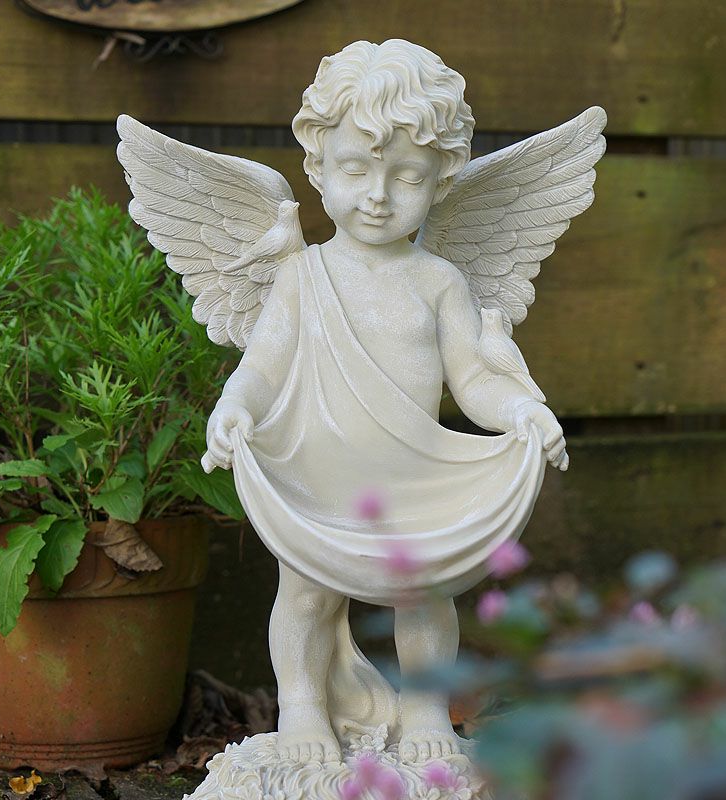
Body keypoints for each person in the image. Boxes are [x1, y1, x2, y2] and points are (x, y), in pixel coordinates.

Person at [204, 39, 566, 764]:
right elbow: (263, 364)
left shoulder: (439, 281)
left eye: (406, 177)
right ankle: (302, 707)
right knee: (306, 595)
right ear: (316, 166)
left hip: (411, 477)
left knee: (424, 595)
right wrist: (233, 405)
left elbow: (474, 380)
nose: (377, 195)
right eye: (355, 169)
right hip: (319, 475)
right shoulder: (301, 276)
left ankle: (426, 707)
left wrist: (523, 411)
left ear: (442, 181)